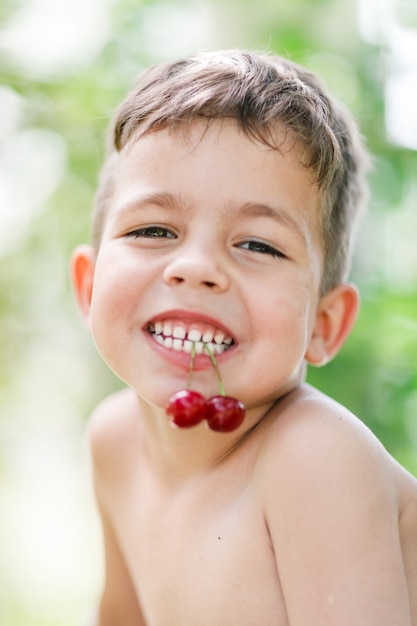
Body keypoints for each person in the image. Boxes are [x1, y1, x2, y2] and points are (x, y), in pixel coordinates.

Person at [71, 49, 417, 625]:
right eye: (153, 229)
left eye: (258, 244)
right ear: (88, 288)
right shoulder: (115, 441)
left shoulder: (312, 458)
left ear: (323, 324)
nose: (198, 267)